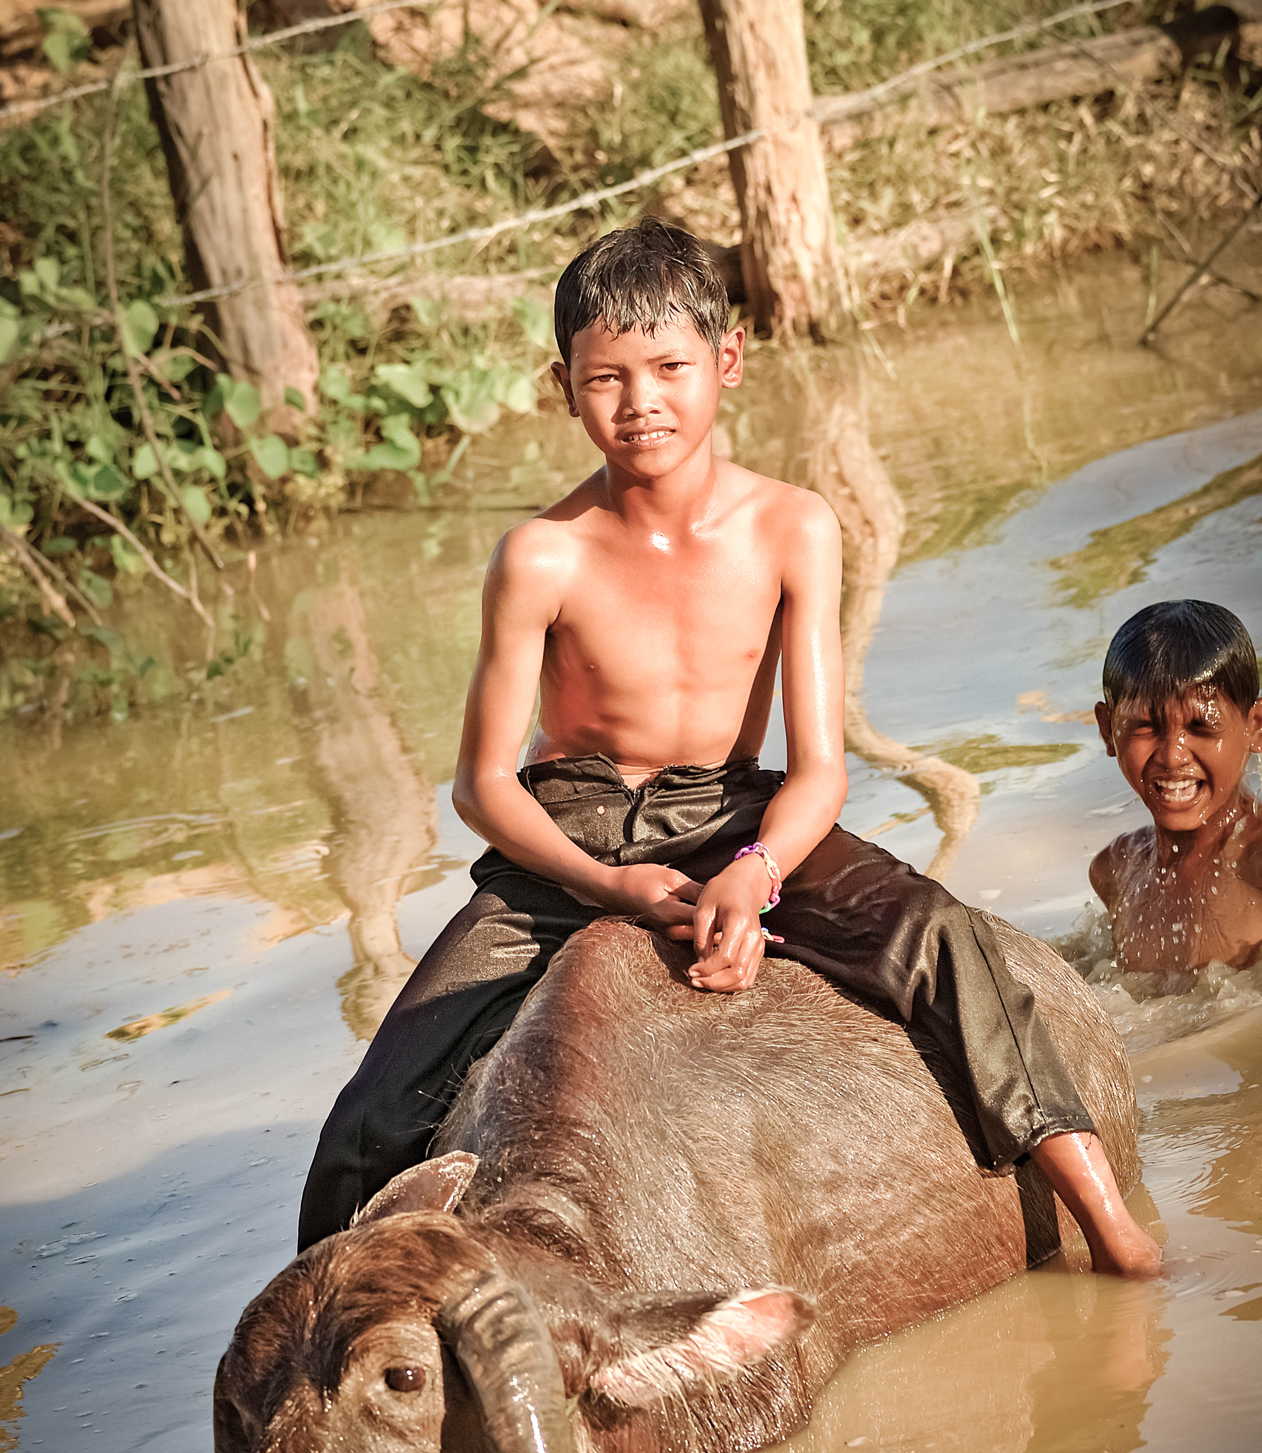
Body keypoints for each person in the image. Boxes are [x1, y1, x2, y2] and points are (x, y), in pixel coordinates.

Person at [297, 218, 1159, 1277]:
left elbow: (817, 769)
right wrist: (602, 883)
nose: (640, 401)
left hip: (729, 808)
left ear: (729, 360)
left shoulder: (793, 526)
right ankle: (330, 1334)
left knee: (949, 944)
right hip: (564, 827)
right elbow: (481, 785)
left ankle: (1110, 1227)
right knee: (370, 1117)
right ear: (560, 386)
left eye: (668, 367)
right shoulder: (539, 554)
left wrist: (754, 873)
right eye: (605, 377)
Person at [1090, 599, 1262, 973]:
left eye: (1201, 728)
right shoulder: (1116, 869)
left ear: (1256, 726)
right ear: (1108, 730)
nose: (1172, 756)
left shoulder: (1256, 863)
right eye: (1144, 727)